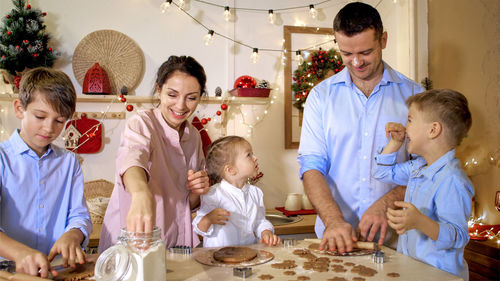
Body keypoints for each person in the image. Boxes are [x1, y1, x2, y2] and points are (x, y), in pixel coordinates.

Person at [297, 1, 424, 253]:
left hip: (397, 244)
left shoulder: (415, 96)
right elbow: (311, 167)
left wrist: (387, 203)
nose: (356, 62)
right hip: (335, 241)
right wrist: (333, 221)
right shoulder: (321, 97)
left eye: (365, 52)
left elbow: (426, 170)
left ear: (383, 40)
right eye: (346, 53)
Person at [99, 56, 211, 252]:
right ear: (159, 90)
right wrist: (141, 194)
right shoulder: (142, 123)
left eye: (191, 97)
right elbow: (132, 160)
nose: (181, 105)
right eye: (172, 95)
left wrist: (197, 190)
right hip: (132, 241)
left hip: (176, 241)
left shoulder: (194, 136)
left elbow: (187, 202)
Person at [0, 67, 92, 278]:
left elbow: (79, 215)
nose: (49, 128)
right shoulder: (2, 159)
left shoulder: (69, 162)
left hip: (56, 270)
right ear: (19, 109)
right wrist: (21, 253)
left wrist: (73, 235)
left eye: (59, 121)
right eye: (40, 116)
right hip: (8, 272)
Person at [373, 89, 473, 280]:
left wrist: (419, 221)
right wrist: (395, 143)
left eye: (410, 120)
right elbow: (383, 172)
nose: (405, 126)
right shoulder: (418, 168)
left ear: (433, 130)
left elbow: (458, 236)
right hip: (414, 273)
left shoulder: (452, 179)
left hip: (440, 276)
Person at [192, 136, 280, 247]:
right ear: (231, 170)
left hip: (248, 256)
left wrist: (266, 232)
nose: (255, 158)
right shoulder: (213, 194)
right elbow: (198, 228)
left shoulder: (255, 193)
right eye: (249, 155)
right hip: (218, 259)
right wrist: (209, 219)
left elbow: (260, 221)